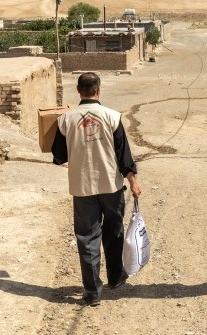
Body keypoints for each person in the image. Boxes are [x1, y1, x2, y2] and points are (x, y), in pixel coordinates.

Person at [52, 72, 142, 306]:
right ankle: (114, 277)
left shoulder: (65, 120)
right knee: (113, 231)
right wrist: (133, 182)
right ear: (98, 90)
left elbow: (59, 156)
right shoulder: (112, 117)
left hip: (82, 188)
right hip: (111, 185)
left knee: (87, 237)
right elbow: (124, 156)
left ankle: (92, 292)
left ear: (78, 91)